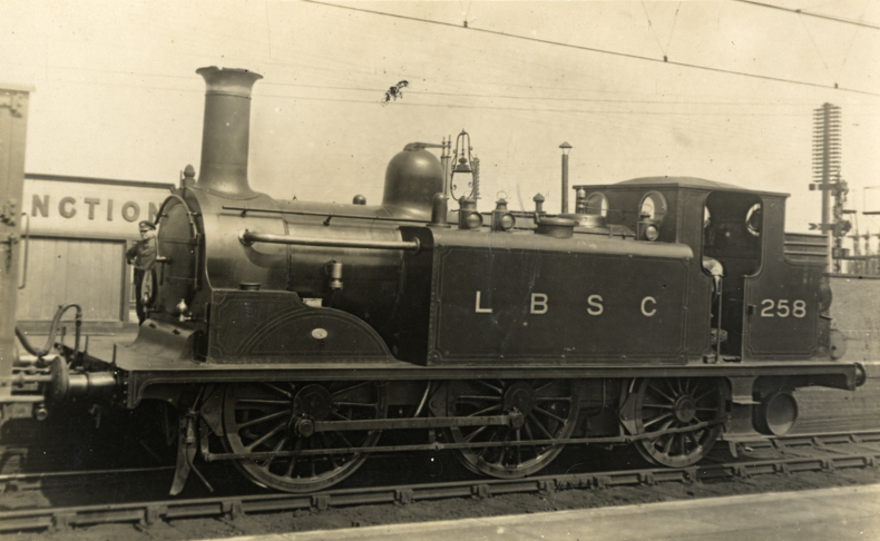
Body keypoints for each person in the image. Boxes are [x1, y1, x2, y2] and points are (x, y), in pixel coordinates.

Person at [126, 220, 157, 324]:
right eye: (141, 231)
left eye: (145, 231)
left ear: (153, 231)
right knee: (140, 304)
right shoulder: (139, 245)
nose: (142, 234)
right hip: (140, 276)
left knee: (152, 303)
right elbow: (129, 253)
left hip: (154, 277)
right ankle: (141, 325)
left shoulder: (159, 244)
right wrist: (132, 261)